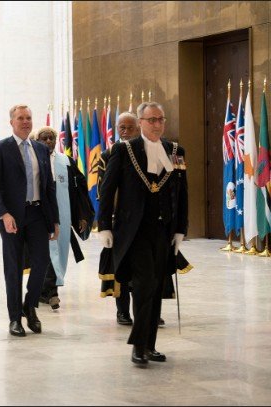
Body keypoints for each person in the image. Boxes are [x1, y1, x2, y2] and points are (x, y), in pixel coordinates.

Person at [98, 102, 188, 366]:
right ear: (141, 122)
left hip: (163, 230)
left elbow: (182, 192)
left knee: (156, 285)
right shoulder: (123, 150)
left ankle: (149, 345)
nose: (157, 124)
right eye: (151, 120)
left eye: (160, 119)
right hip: (133, 231)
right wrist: (104, 225)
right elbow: (107, 189)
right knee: (144, 284)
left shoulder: (175, 151)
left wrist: (181, 228)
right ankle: (138, 345)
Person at [0, 104, 59, 337]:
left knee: (42, 262)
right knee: (14, 267)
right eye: (21, 118)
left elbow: (48, 187)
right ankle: (15, 318)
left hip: (37, 214)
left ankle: (30, 305)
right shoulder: (0, 148)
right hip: (12, 217)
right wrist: (3, 214)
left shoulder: (40, 149)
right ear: (12, 122)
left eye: (28, 117)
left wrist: (54, 220)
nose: (25, 121)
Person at [31, 127, 94, 310]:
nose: (48, 141)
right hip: (39, 214)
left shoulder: (66, 161)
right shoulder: (32, 161)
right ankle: (52, 292)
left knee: (59, 251)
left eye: (51, 138)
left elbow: (79, 191)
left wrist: (81, 215)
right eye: (44, 138)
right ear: (37, 141)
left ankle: (45, 291)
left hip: (63, 214)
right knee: (47, 251)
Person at [97, 112, 140, 325]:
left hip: (143, 220)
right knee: (120, 266)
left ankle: (145, 310)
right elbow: (103, 191)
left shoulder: (146, 152)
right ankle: (122, 311)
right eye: (122, 127)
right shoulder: (108, 154)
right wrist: (105, 224)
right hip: (119, 221)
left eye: (130, 127)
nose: (125, 131)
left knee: (144, 268)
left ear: (138, 128)